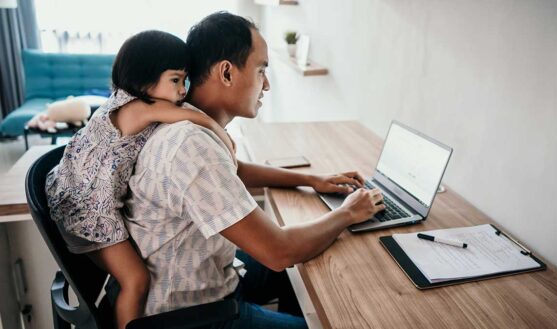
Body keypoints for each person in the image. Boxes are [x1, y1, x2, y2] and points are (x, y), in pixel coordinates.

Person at [123, 12, 385, 329]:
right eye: (261, 71)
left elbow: (234, 170)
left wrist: (312, 179)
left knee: (308, 267)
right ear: (227, 73)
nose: (268, 85)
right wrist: (347, 213)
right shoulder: (191, 145)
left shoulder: (185, 121)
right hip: (192, 316)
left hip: (212, 275)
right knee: (304, 269)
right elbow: (278, 251)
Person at [45, 30, 237, 329]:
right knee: (136, 279)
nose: (183, 90)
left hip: (76, 195)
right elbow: (194, 117)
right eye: (175, 80)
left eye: (185, 80)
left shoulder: (125, 103)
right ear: (144, 78)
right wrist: (223, 135)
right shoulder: (137, 107)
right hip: (87, 213)